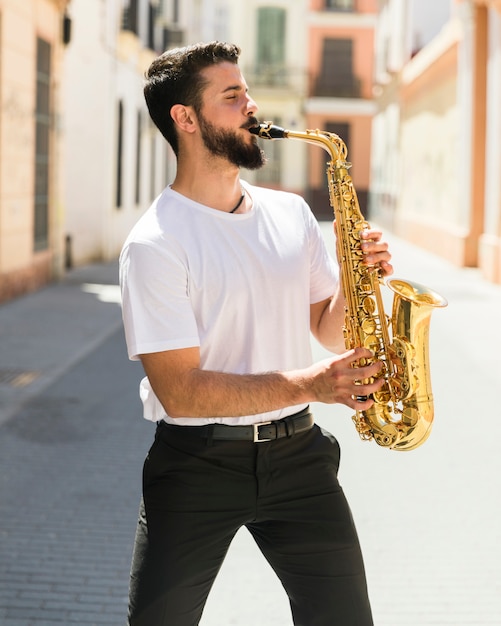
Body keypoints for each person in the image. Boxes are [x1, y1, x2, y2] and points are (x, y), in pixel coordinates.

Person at [119, 41, 393, 626]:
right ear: (185, 118)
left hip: (299, 459)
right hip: (197, 466)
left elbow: (327, 329)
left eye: (246, 91)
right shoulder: (154, 245)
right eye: (232, 95)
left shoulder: (291, 213)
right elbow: (182, 392)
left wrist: (356, 279)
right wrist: (313, 385)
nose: (252, 105)